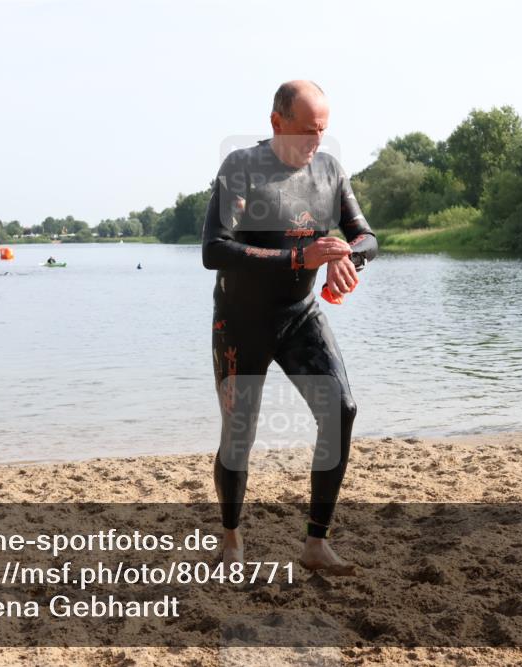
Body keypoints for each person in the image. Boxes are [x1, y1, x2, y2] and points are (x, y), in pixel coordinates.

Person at [202, 80, 377, 575]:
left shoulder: (328, 171)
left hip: (301, 315)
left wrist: (348, 258)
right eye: (305, 133)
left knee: (341, 410)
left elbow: (366, 236)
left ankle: (315, 544)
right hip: (241, 321)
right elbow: (214, 249)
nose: (314, 144)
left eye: (321, 133)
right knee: (240, 435)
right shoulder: (241, 168)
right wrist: (301, 256)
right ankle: (232, 538)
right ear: (276, 123)